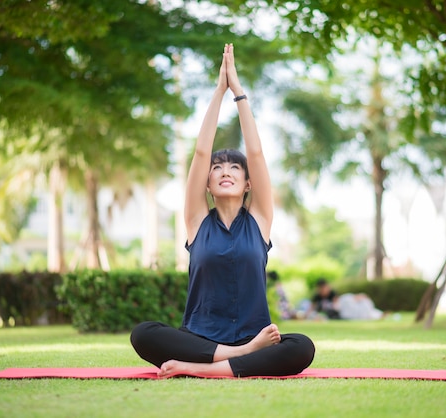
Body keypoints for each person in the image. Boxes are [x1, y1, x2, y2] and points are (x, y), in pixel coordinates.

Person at [130, 44, 315, 378]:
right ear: (207, 182)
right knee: (143, 333)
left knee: (302, 347)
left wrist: (239, 94)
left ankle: (201, 369)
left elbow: (256, 154)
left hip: (254, 335)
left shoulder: (259, 221)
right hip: (202, 339)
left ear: (248, 183)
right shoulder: (196, 221)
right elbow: (201, 152)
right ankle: (237, 358)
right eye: (217, 168)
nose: (225, 171)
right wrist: (219, 91)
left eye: (234, 167)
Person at [307, 278, 384, 321]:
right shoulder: (317, 296)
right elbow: (311, 307)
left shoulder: (333, 294)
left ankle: (380, 315)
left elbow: (337, 304)